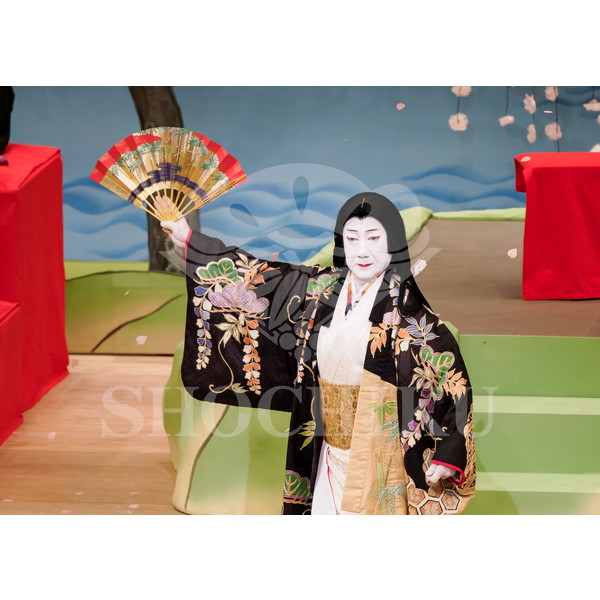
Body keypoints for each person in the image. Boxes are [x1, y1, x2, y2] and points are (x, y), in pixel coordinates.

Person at [161, 192, 476, 515]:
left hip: (379, 453)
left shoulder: (410, 316)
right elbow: (259, 276)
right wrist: (191, 241)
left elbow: (451, 382)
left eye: (373, 238)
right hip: (324, 440)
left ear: (393, 242)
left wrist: (448, 452)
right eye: (351, 238)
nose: (362, 250)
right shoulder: (321, 289)